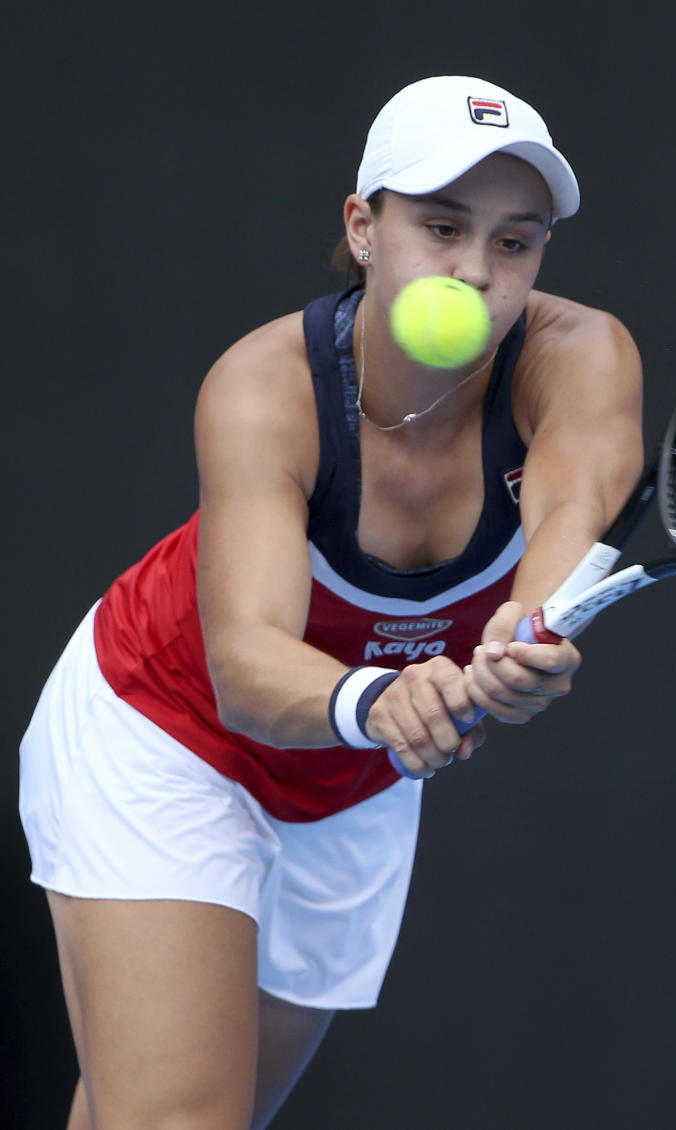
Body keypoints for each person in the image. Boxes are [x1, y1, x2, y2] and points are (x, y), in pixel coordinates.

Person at [19, 74, 644, 1129]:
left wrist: (525, 635)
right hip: (164, 729)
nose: (476, 270)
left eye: (514, 241)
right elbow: (248, 667)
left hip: (349, 788)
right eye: (442, 226)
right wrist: (377, 700)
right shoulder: (265, 386)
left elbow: (570, 513)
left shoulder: (581, 357)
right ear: (364, 226)